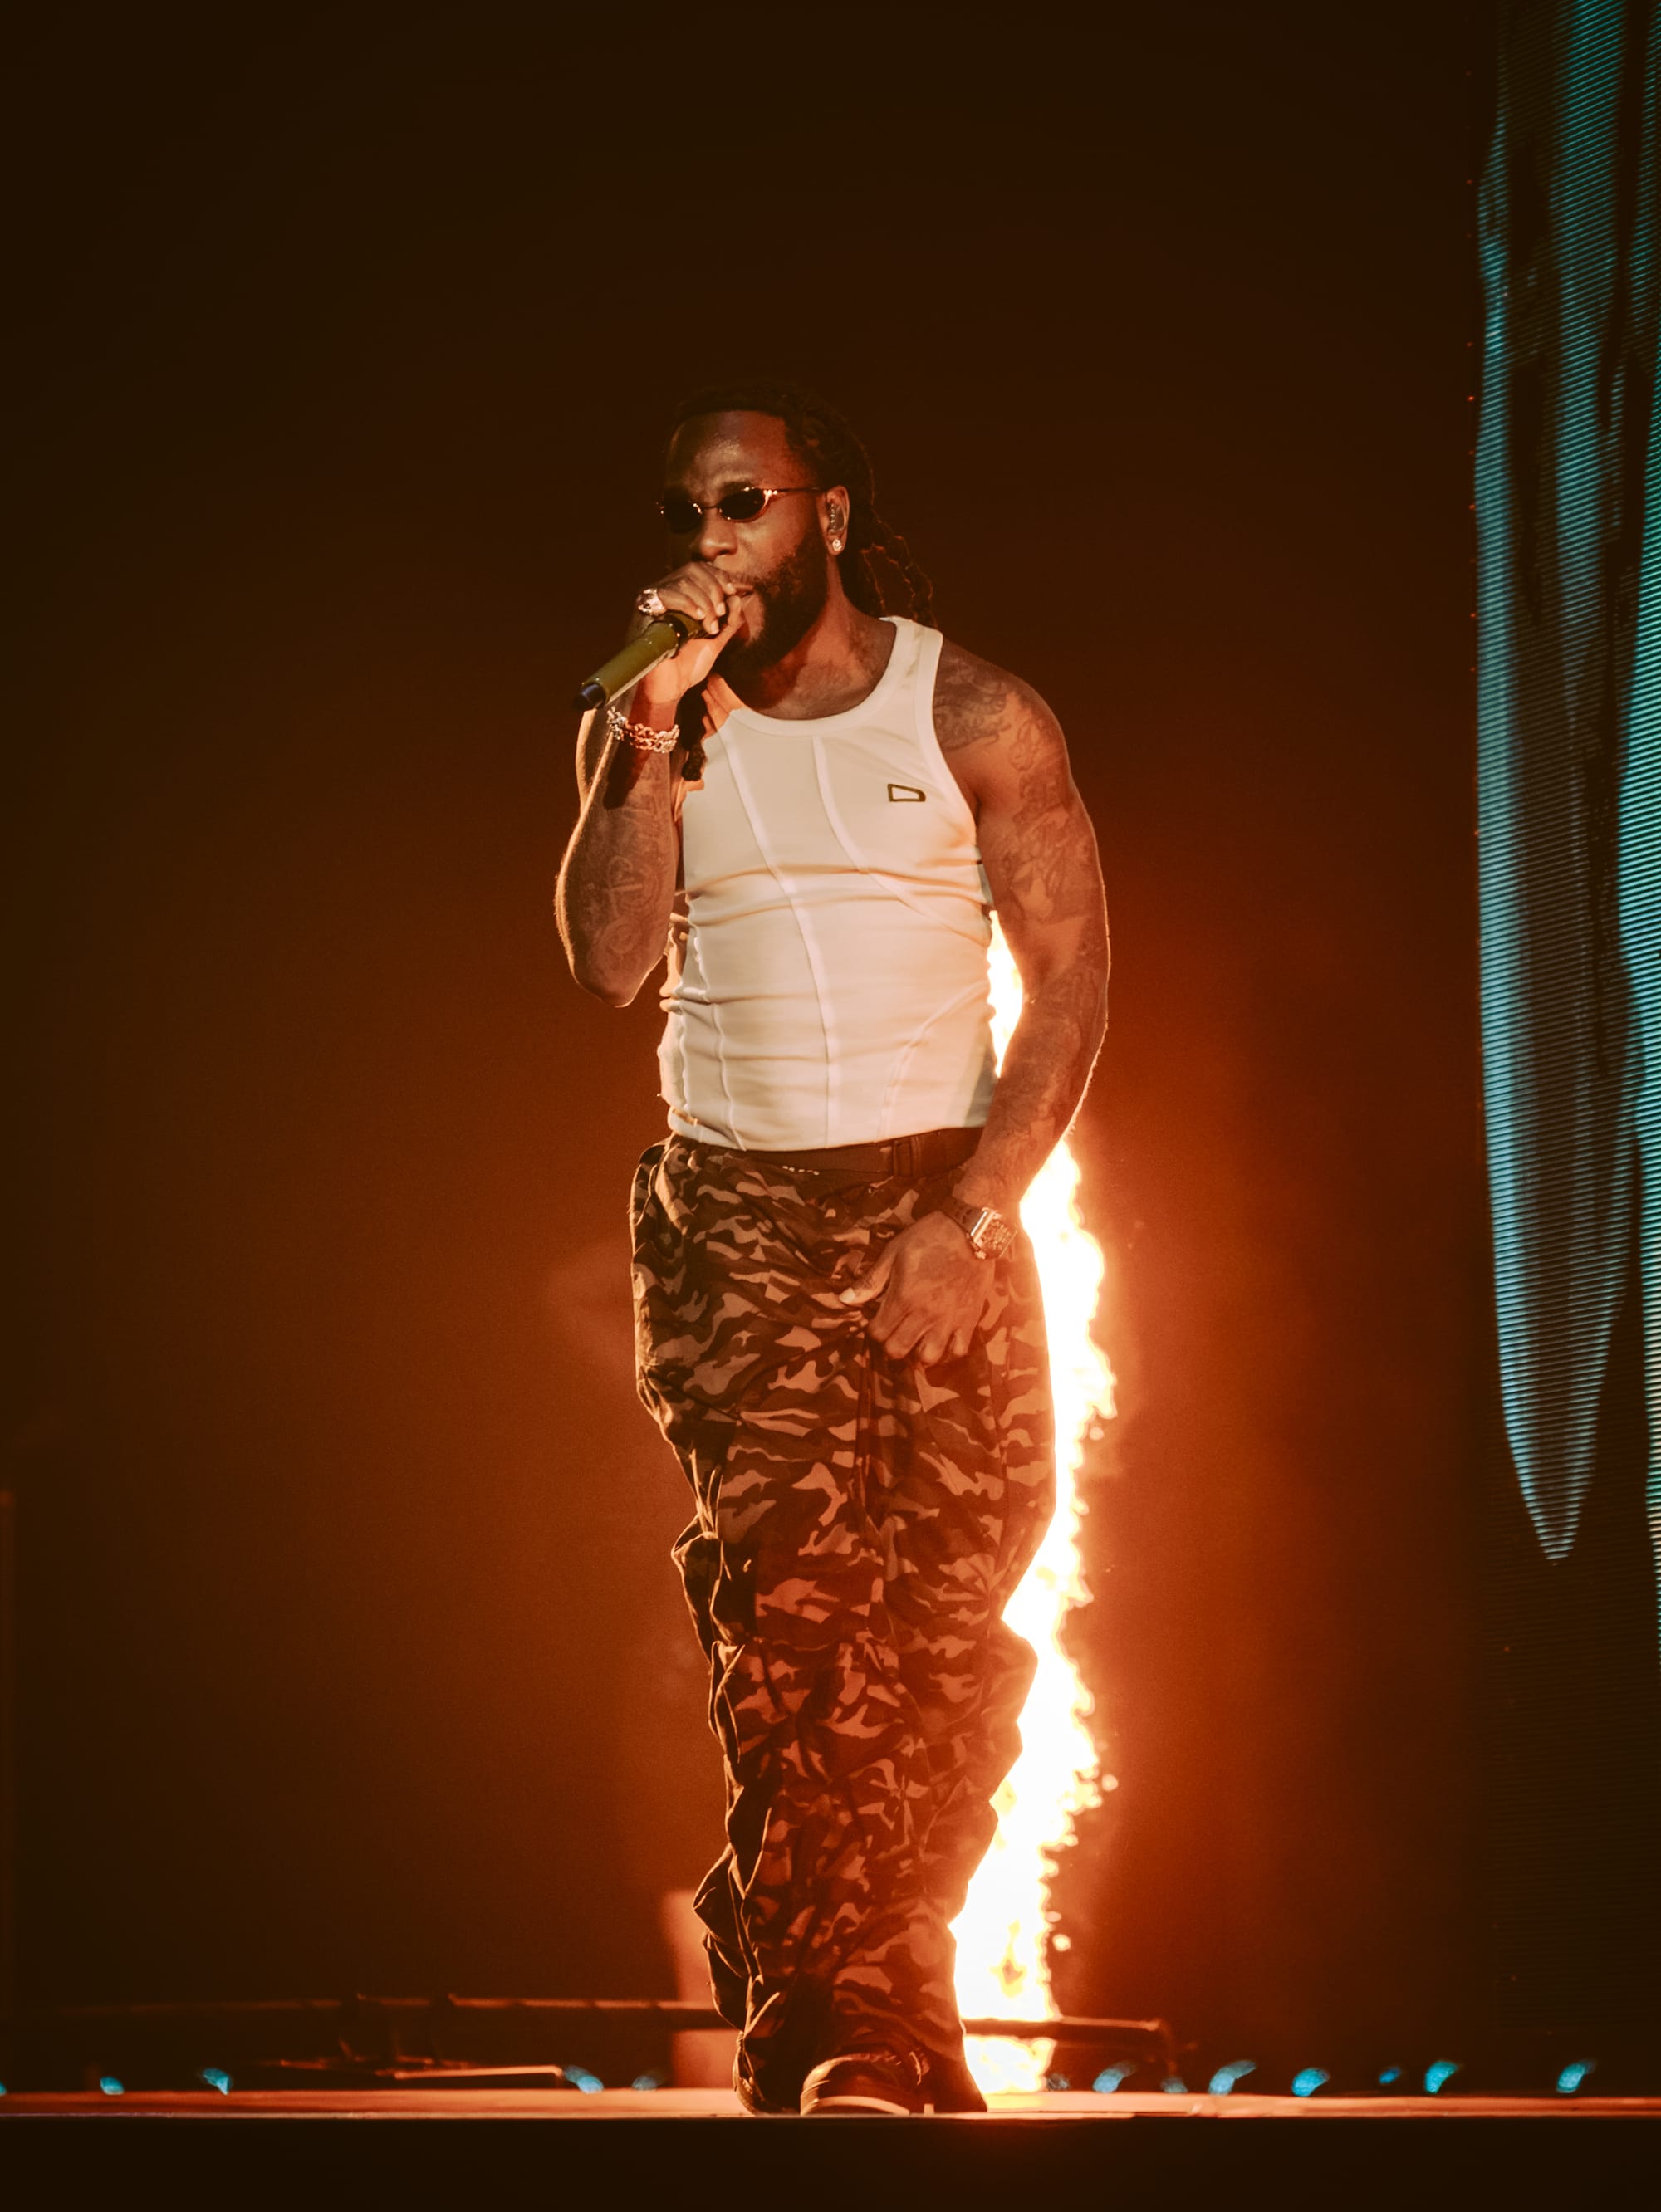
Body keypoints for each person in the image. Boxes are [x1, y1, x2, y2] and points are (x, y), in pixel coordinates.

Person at [556, 380, 1109, 2117]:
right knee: (804, 1629)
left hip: (934, 1199)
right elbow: (609, 962)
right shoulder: (658, 719)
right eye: (688, 511)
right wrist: (645, 729)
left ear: (833, 517)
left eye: (747, 504)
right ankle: (833, 2023)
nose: (712, 539)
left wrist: (971, 1214)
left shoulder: (975, 712)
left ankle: (866, 1976)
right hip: (737, 1208)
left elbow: (1071, 984)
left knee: (949, 1632)